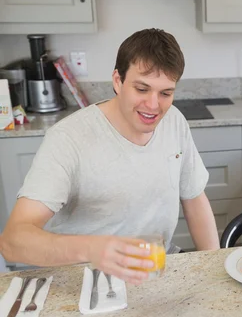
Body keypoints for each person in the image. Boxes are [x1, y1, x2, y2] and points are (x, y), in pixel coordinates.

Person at [0, 29, 219, 284]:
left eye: (165, 93)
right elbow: (13, 241)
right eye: (142, 89)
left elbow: (194, 199)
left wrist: (213, 265)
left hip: (156, 270)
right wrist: (93, 250)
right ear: (118, 81)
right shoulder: (68, 139)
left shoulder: (174, 122)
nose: (153, 105)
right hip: (84, 278)